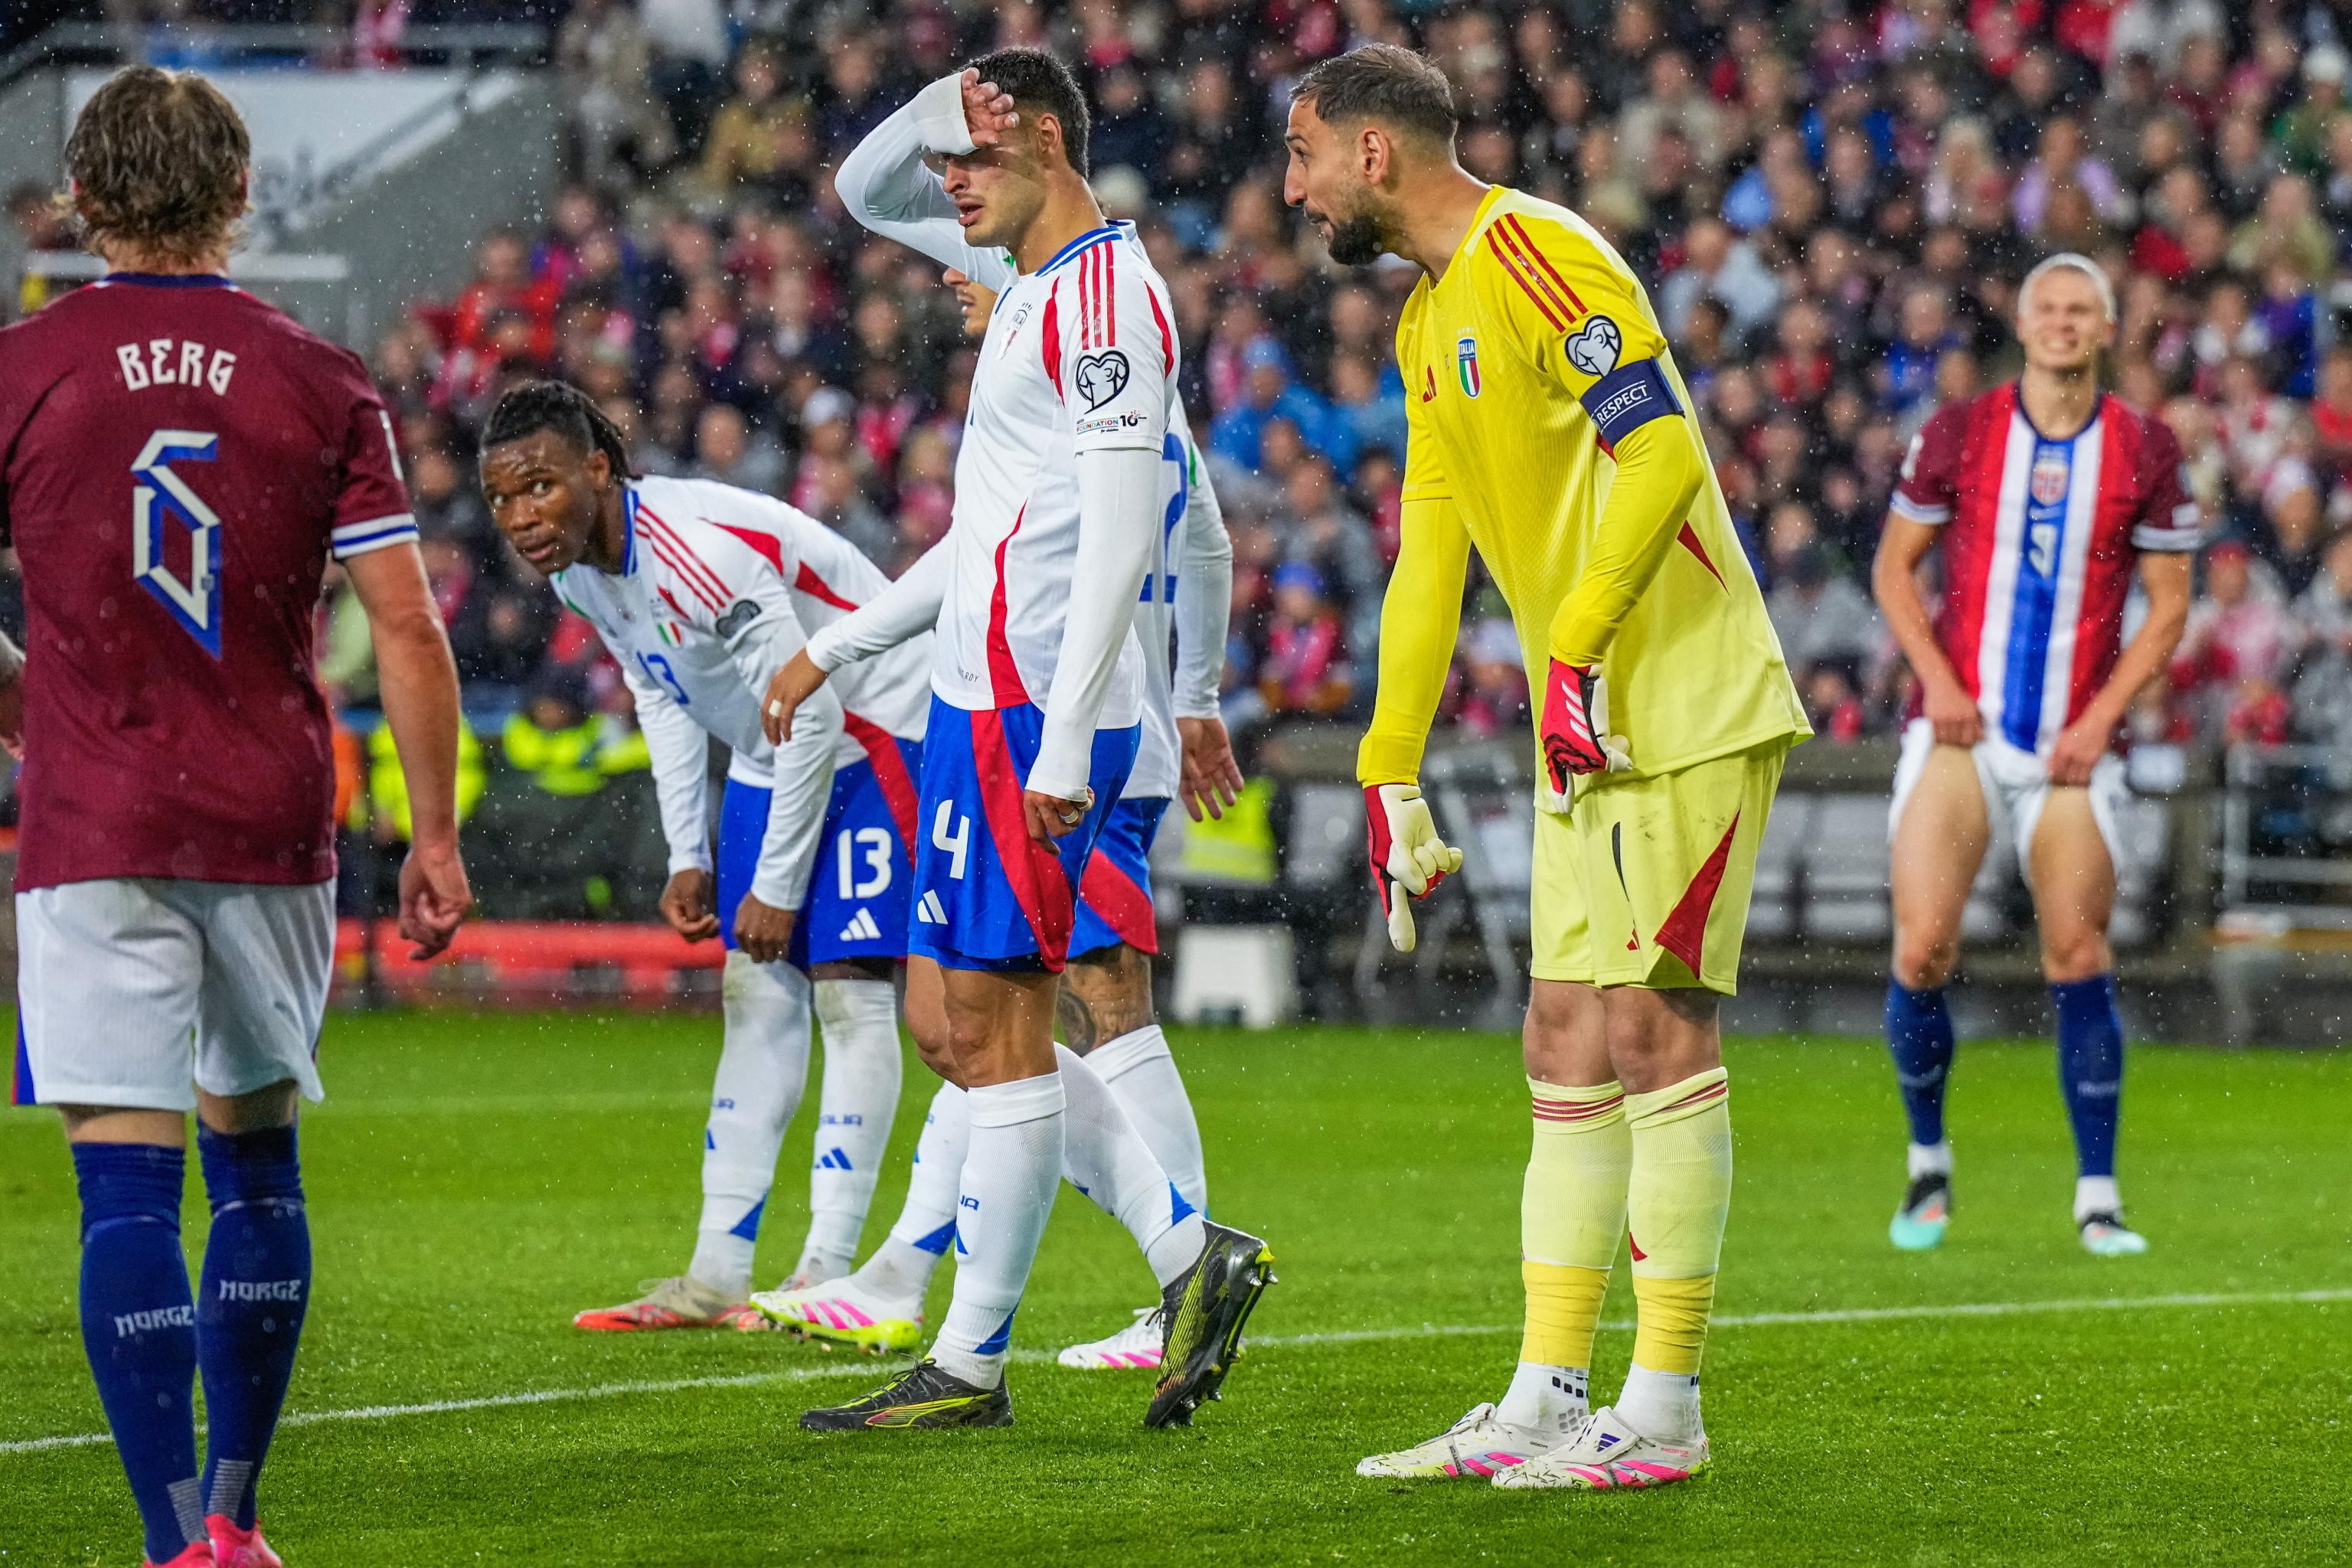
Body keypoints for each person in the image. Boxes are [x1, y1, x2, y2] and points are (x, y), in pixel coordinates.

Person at [1282, 44, 1810, 1491]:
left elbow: (1659, 454)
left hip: (1681, 702)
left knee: (1653, 1037)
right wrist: (1388, 769)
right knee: (1562, 1044)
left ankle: (1663, 1409)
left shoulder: (1537, 252)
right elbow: (1428, 556)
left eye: (1304, 154)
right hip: (1587, 721)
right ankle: (1541, 1393)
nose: (1292, 186)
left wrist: (1570, 646)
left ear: (1374, 154)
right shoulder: (1427, 317)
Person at [753, 52, 1272, 1432]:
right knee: (952, 1021)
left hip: (1040, 715)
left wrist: (1062, 742)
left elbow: (1127, 528)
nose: (947, 191)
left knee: (1006, 1017)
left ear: (1042, 141)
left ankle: (996, 1348)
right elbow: (865, 188)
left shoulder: (1105, 295)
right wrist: (845, 644)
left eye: (970, 160)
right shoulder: (1033, 286)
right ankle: (1180, 1256)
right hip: (977, 709)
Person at [0, 67, 470, 1568]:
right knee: (254, 1164)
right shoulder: (321, 379)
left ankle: (167, 1546)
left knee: (122, 1187)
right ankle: (239, 1517)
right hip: (266, 816)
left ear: (82, 200)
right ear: (241, 195)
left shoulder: (21, 370)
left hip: (92, 817)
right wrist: (441, 834)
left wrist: (21, 690)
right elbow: (405, 626)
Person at [473, 383, 922, 1326]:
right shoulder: (578, 571)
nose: (522, 517)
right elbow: (661, 687)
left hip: (882, 727)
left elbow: (821, 713)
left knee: (849, 987)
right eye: (503, 499)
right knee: (754, 988)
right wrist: (689, 850)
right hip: (778, 744)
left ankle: (823, 1272)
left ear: (599, 469)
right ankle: (718, 1277)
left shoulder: (700, 552)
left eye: (541, 488)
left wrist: (774, 880)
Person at [1872, 253, 2198, 1259]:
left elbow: (2171, 604)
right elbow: (1894, 567)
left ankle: (2097, 1194)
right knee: (1923, 946)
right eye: (2047, 308)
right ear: (2023, 322)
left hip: (2073, 744)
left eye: (2080, 310)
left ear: (2105, 328)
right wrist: (1939, 680)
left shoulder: (2145, 447)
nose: (2061, 323)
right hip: (1963, 731)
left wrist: (2102, 718)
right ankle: (1929, 1166)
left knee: (2078, 951)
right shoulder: (1961, 430)